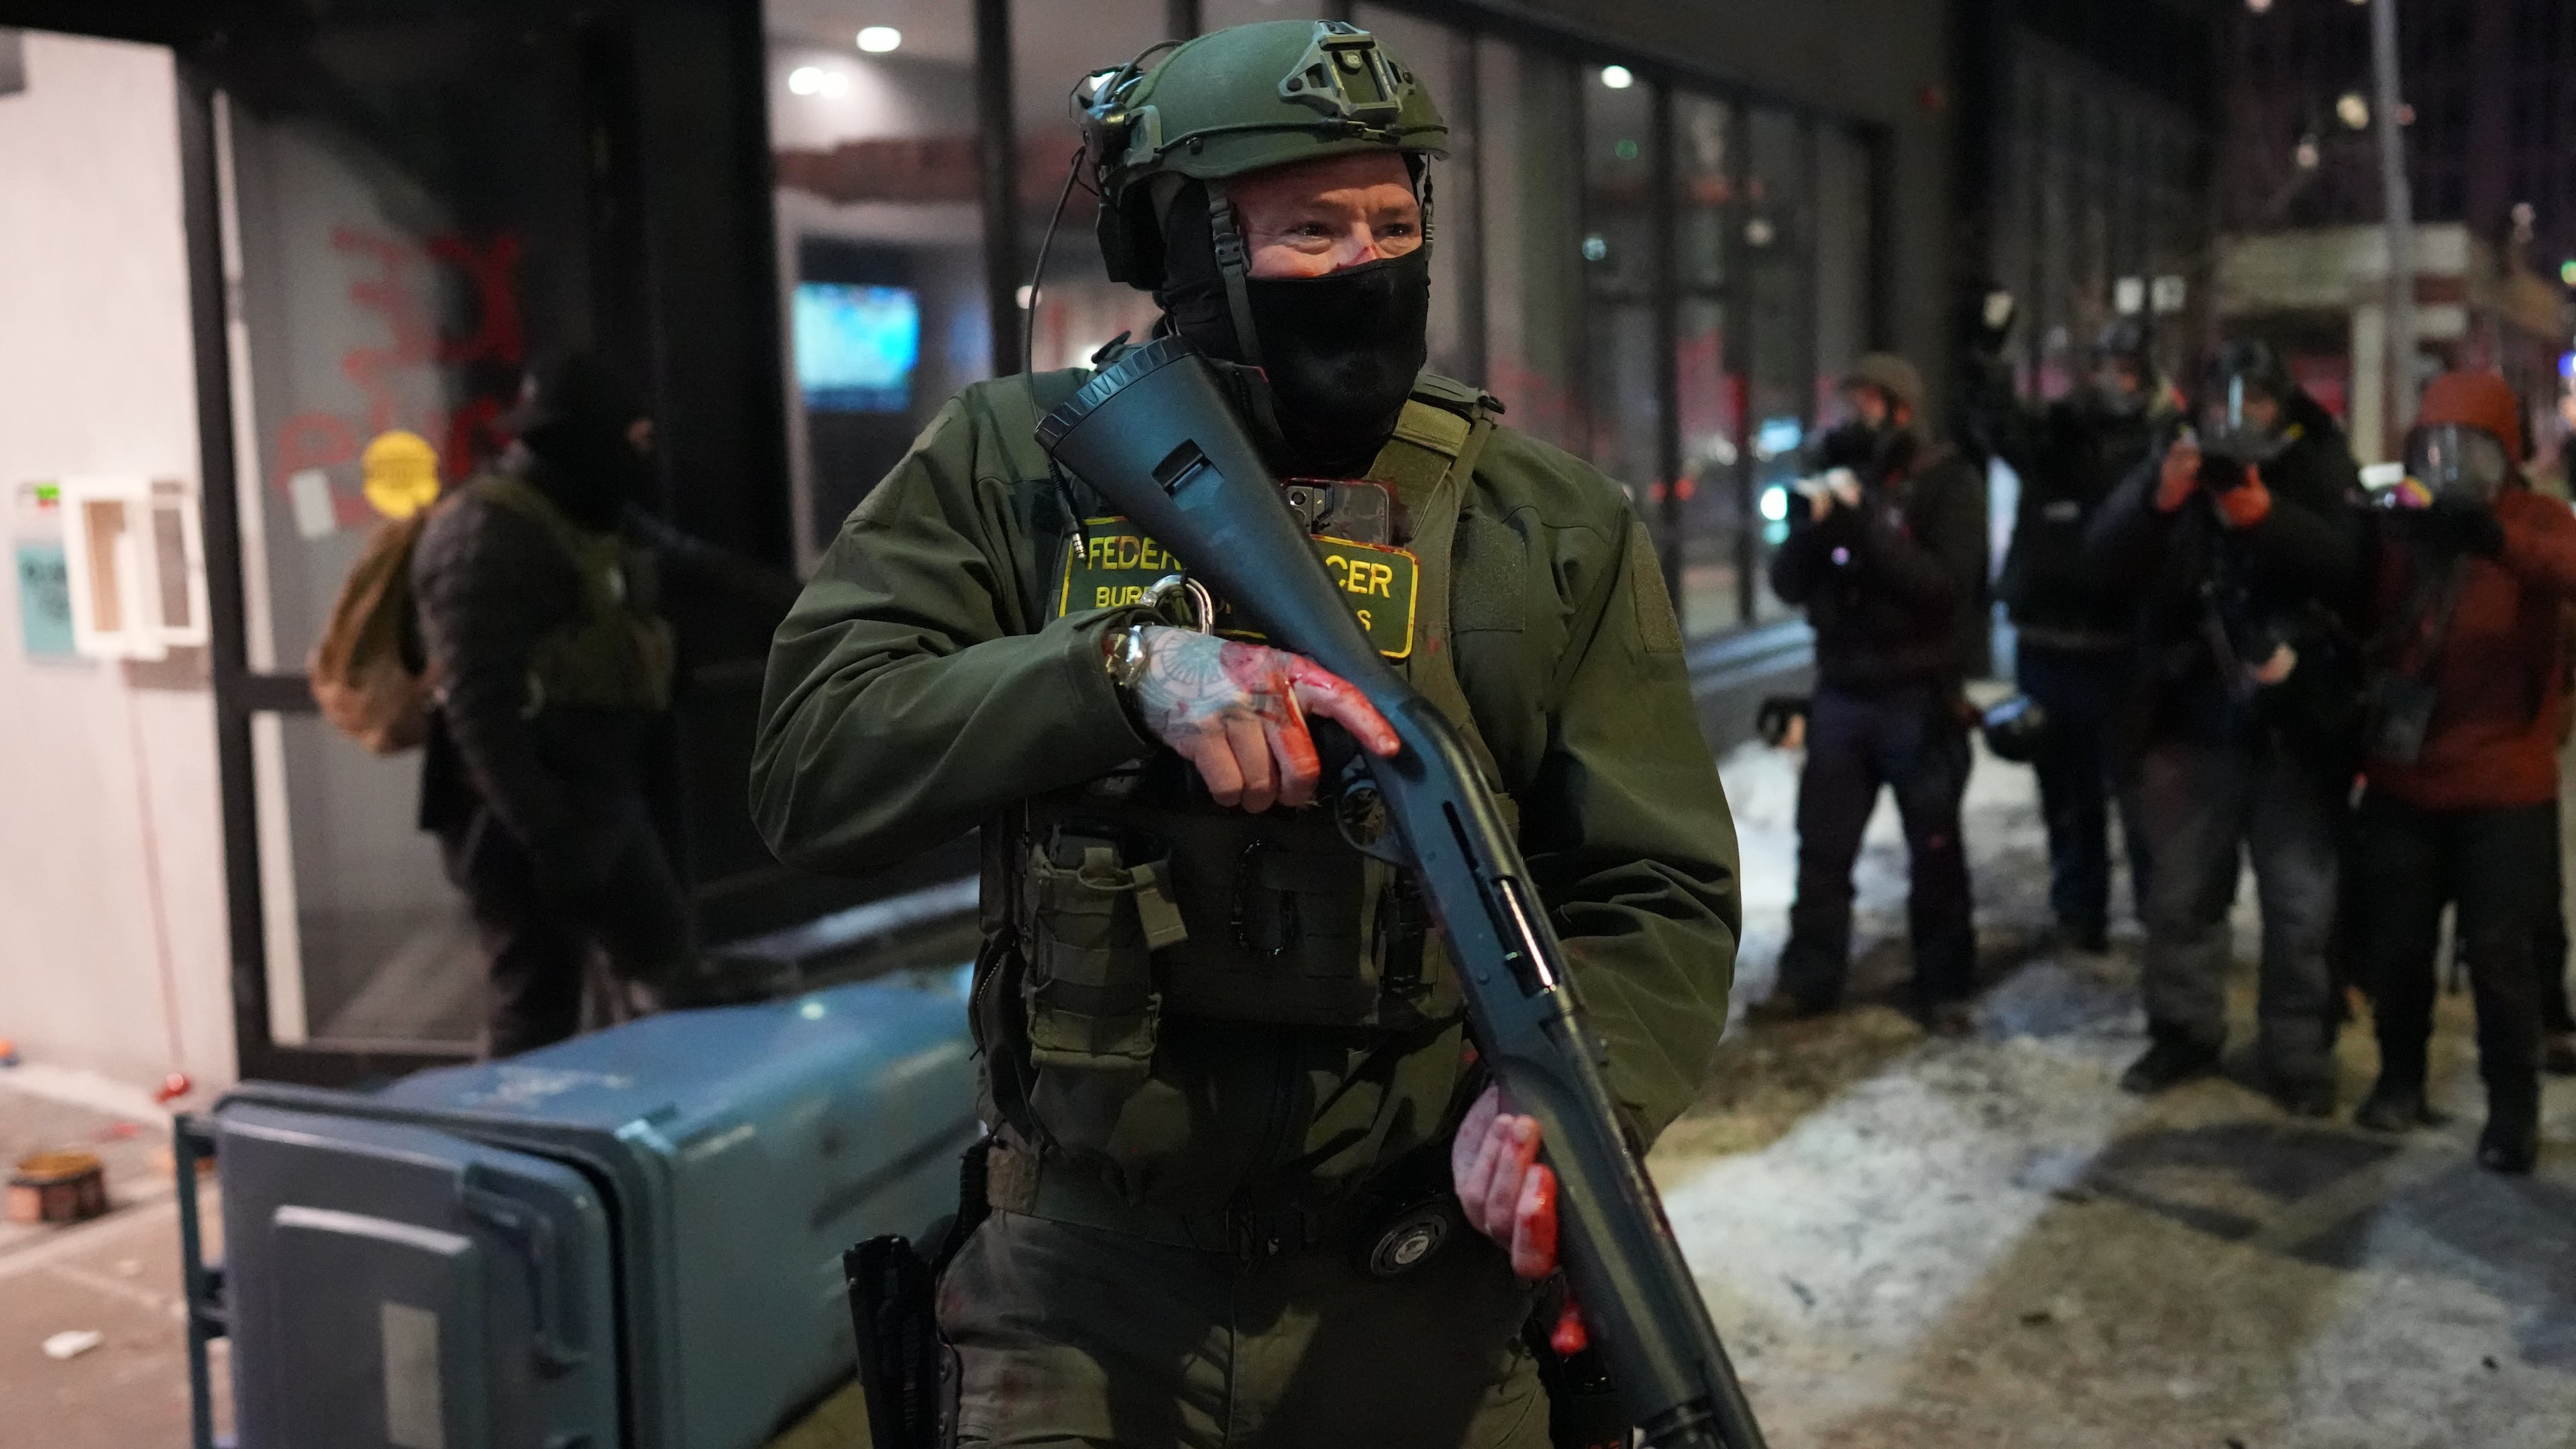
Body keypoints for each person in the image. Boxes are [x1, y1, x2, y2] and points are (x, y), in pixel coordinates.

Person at [750, 21, 1740, 1448]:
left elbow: (1658, 889)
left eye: (1393, 223)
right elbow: (809, 764)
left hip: (1415, 1293)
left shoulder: (1550, 524)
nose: (1364, 267)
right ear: (1186, 249)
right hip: (1084, 1293)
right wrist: (1116, 672)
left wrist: (1568, 1107)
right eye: (1307, 229)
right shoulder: (1014, 466)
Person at [413, 352, 793, 1055]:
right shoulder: (487, 537)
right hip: (518, 821)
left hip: (598, 797)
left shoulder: (581, 508)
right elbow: (478, 711)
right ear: (585, 438)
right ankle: (516, 1157)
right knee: (535, 1014)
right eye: (635, 437)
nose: (644, 453)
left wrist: (827, 609)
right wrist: (549, 838)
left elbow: (700, 566)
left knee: (664, 970)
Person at [2086, 339, 2363, 1114]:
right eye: (2222, 407)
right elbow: (2103, 558)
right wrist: (2160, 500)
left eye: (2257, 405)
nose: (2238, 422)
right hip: (2190, 719)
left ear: (2284, 406)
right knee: (2180, 896)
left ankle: (2299, 1050)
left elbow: (2351, 567)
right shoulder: (2171, 459)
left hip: (2293, 727)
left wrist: (2267, 518)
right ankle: (2182, 1029)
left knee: (2300, 904)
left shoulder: (2318, 465)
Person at [2347, 370, 2576, 1173]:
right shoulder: (2406, 529)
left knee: (2502, 957)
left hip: (2504, 789)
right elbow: (2356, 606)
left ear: (2506, 455)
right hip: (2406, 781)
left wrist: (2495, 541)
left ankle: (2511, 1112)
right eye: (2436, 448)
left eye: (2472, 449)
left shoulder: (2538, 521)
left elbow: (2565, 570)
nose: (2452, 465)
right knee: (2400, 947)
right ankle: (2399, 1077)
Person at [1765, 354, 1988, 1032]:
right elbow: (1788, 582)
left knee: (1935, 849)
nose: (1853, 415)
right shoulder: (1830, 475)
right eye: (1847, 401)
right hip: (1843, 690)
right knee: (1822, 847)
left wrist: (1866, 527)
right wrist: (1821, 525)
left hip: (1918, 694)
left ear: (1901, 408)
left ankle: (1946, 984)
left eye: (1868, 401)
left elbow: (1944, 588)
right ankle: (1809, 979)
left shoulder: (1946, 482)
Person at [1979, 320, 2177, 951]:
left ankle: (2160, 921)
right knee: (2066, 795)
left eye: (2125, 367)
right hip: (2052, 641)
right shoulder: (2060, 435)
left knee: (2143, 799)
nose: (2111, 380)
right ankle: (2078, 913)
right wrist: (1985, 357)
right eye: (2103, 366)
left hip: (2125, 650)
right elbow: (1999, 425)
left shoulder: (2163, 441)